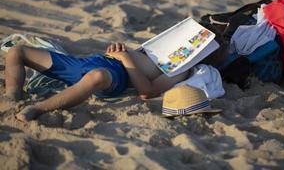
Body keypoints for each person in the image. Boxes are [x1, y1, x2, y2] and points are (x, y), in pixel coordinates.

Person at [4, 42, 190, 122]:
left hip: (113, 75)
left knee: (97, 77)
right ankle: (12, 96)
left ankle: (39, 108)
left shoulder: (182, 68)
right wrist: (119, 51)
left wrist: (124, 57)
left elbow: (147, 91)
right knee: (17, 51)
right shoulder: (163, 47)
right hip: (90, 61)